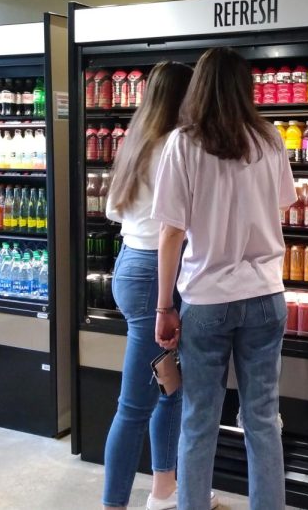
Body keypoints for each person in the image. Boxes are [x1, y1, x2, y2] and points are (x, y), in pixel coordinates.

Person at [152, 47, 295, 510]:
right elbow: (281, 206)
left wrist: (164, 306)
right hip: (266, 294)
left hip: (207, 298)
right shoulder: (270, 139)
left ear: (199, 88)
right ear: (245, 89)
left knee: (199, 419)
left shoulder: (183, 143)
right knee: (262, 418)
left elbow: (171, 231)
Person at [101, 61, 198, 510]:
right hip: (159, 274)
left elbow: (113, 213)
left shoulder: (136, 142)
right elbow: (174, 229)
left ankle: (164, 490)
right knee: (135, 405)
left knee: (169, 386)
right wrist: (165, 304)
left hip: (130, 264)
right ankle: (114, 504)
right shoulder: (179, 147)